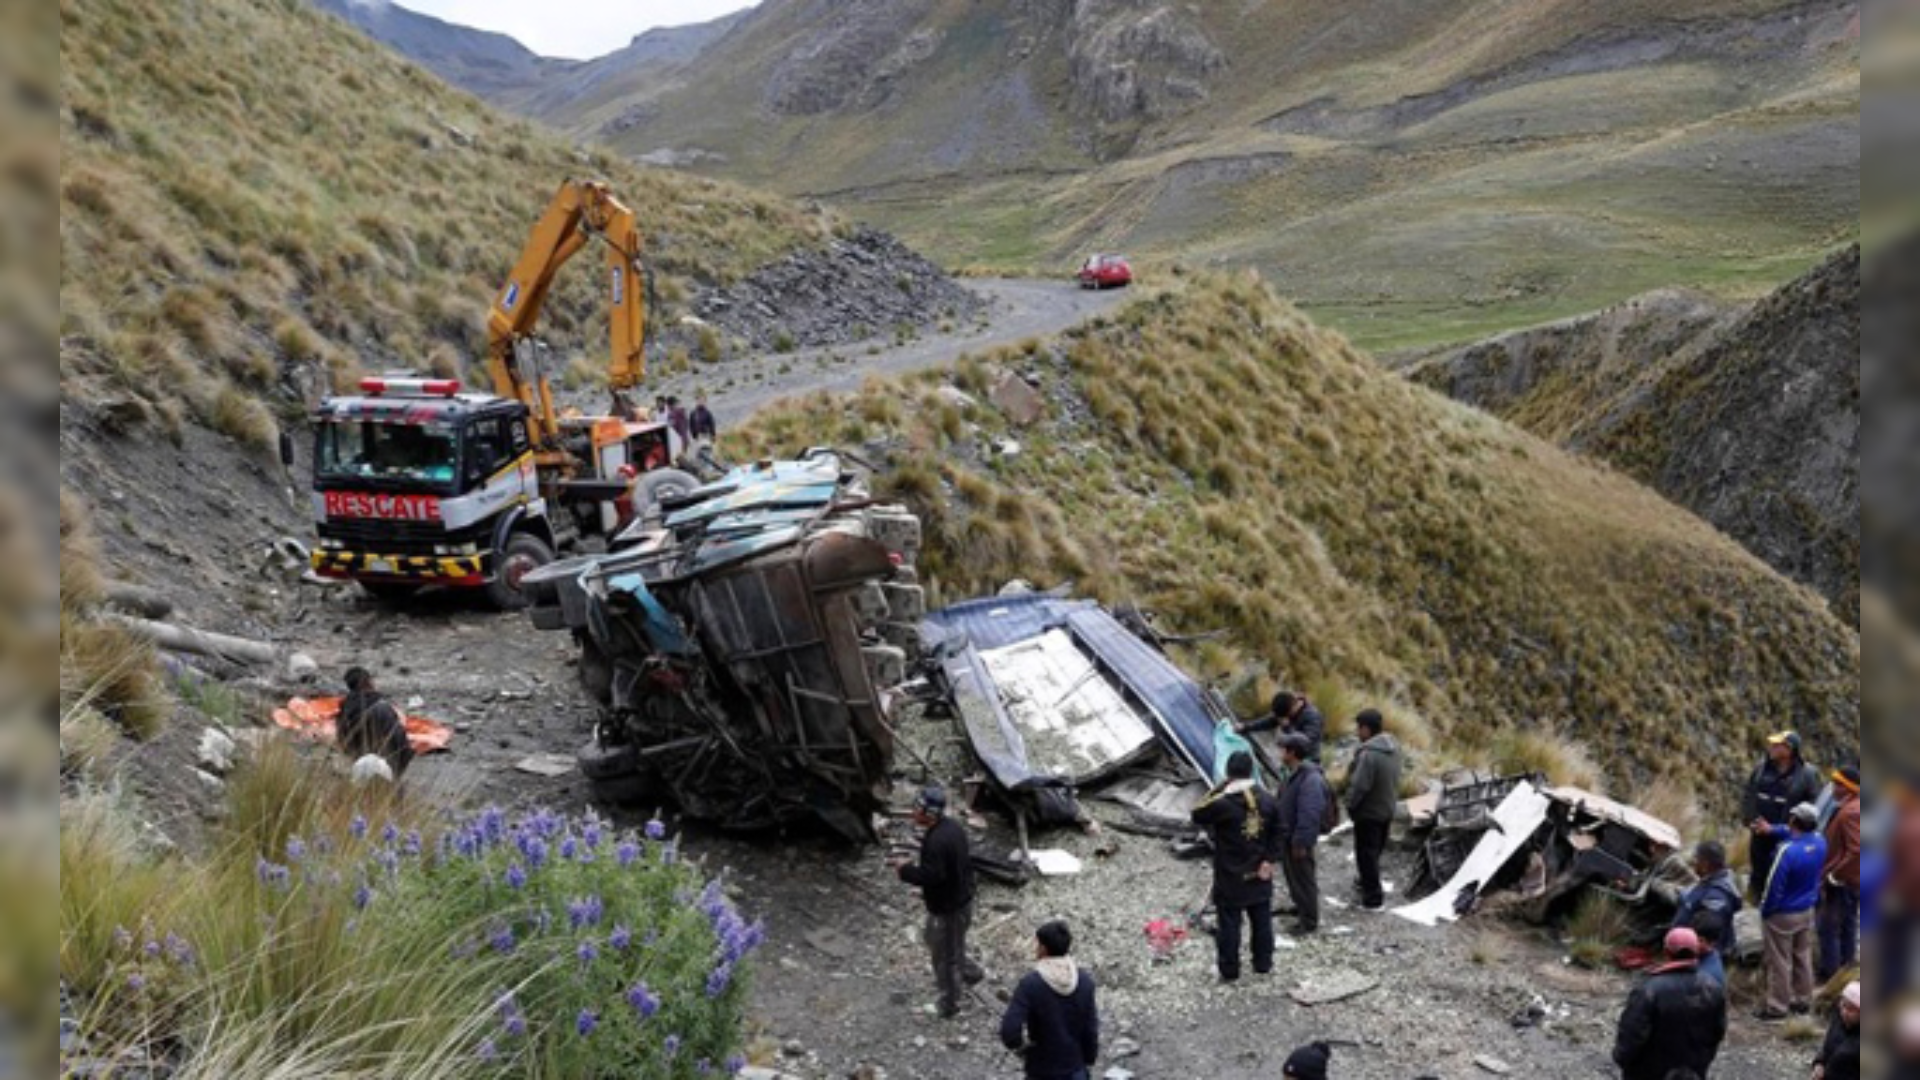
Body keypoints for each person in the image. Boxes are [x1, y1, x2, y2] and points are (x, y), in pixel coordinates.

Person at [891, 786, 984, 1018]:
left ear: (928, 813)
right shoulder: (952, 828)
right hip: (958, 901)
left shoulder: (936, 842)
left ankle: (949, 1004)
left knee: (944, 957)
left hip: (949, 909)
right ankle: (971, 972)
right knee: (937, 941)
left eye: (917, 808)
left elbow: (932, 876)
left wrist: (905, 870)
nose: (913, 811)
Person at [1190, 751, 1282, 981]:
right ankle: (1263, 964)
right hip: (1260, 870)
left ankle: (1229, 970)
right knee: (1261, 920)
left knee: (1230, 923)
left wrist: (1218, 788)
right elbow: (1280, 832)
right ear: (1251, 771)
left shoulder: (1222, 804)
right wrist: (1270, 859)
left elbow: (1196, 813)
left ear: (1228, 774)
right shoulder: (1269, 800)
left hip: (1231, 873)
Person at [1610, 927, 1728, 1080]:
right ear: (1696, 951)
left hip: (1649, 1071)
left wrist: (1621, 1058)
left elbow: (1632, 1033)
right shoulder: (1714, 988)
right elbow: (1718, 1031)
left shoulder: (1649, 989)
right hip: (1692, 1070)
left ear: (1667, 951)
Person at [1752, 802, 1829, 1020]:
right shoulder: (1820, 841)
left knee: (1779, 960)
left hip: (1782, 913)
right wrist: (1773, 829)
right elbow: (1793, 832)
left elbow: (1774, 885)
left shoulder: (1786, 852)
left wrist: (1766, 910)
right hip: (1806, 909)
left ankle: (1777, 1006)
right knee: (1802, 956)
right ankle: (1803, 999)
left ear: (1794, 820)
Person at [998, 920, 1098, 1080]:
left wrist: (1023, 1050)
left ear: (1043, 949)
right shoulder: (1085, 982)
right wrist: (1088, 1059)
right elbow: (1091, 1029)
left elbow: (1009, 1031)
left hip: (1042, 1068)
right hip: (1075, 1068)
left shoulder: (1031, 984)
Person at [1743, 731, 1823, 900]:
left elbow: (1813, 806)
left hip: (1788, 835)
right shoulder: (1761, 768)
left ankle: (1775, 907)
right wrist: (1750, 819)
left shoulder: (1807, 774)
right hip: (1759, 830)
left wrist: (1792, 828)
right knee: (1757, 870)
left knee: (1781, 872)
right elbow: (1749, 794)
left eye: (1777, 745)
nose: (1771, 748)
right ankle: (1751, 905)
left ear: (1789, 749)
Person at [1343, 707, 1401, 911]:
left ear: (1367, 729)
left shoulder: (1369, 754)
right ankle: (1366, 883)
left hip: (1369, 813)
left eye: (1359, 728)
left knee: (1365, 854)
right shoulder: (1394, 748)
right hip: (1387, 808)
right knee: (1375, 851)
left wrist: (1350, 804)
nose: (1357, 732)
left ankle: (1373, 899)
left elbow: (1360, 785)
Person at [1275, 733, 1332, 935]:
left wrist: (1301, 842)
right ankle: (1300, 906)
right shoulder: (1295, 773)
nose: (1279, 753)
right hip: (1289, 836)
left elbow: (1309, 812)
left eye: (1283, 749)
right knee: (1294, 876)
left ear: (1292, 752)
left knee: (1303, 878)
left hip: (1298, 840)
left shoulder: (1310, 779)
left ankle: (1308, 921)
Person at [1819, 766, 1862, 981]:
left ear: (1848, 788)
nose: (1833, 787)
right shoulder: (1853, 807)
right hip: (1851, 881)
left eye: (1838, 784)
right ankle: (1846, 971)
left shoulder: (1851, 812)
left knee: (1829, 927)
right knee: (1847, 925)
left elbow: (1857, 850)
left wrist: (1835, 874)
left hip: (1843, 882)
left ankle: (1832, 977)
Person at [337, 666, 413, 778]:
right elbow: (401, 744)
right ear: (367, 683)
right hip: (385, 768)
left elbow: (343, 741)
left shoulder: (344, 710)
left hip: (358, 767)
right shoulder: (383, 708)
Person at [1672, 841, 1743, 958]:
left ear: (1705, 864)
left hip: (1696, 958)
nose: (1693, 862)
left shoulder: (1716, 898)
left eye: (1697, 859)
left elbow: (1705, 939)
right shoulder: (1711, 880)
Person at [1239, 690, 1325, 764]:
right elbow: (1269, 721)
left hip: (1308, 762)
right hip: (1289, 759)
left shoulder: (1312, 717)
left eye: (1286, 716)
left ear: (1292, 708)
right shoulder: (1286, 709)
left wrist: (1287, 727)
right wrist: (1246, 727)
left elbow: (1305, 743)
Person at [1812, 981, 1861, 1080]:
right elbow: (1827, 1050)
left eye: (1851, 1009)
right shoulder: (1837, 1021)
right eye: (1843, 1005)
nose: (1844, 1012)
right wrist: (1819, 1063)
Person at [1691, 909, 1729, 987]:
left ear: (1712, 943)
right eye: (1692, 936)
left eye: (1700, 940)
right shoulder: (1699, 955)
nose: (1693, 942)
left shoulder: (1709, 976)